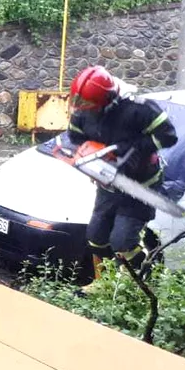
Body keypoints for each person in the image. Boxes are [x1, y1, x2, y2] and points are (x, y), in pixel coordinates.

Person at [66, 66, 177, 283]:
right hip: (108, 184)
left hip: (140, 185)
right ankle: (104, 285)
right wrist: (90, 152)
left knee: (122, 241)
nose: (84, 109)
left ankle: (141, 282)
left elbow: (168, 137)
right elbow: (75, 137)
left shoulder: (138, 110)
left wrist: (127, 148)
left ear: (107, 98)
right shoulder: (83, 112)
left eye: (89, 105)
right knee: (96, 237)